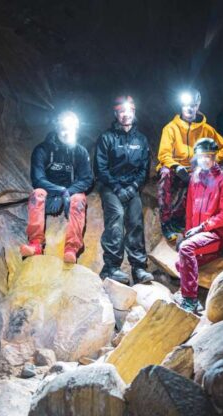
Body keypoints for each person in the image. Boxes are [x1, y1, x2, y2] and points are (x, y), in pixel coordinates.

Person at [94, 96, 155, 285]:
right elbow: (100, 168)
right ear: (116, 114)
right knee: (117, 216)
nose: (125, 114)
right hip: (111, 187)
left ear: (134, 112)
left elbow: (144, 168)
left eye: (129, 110)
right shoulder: (106, 138)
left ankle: (138, 268)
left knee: (135, 220)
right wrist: (117, 187)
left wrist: (133, 187)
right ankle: (111, 267)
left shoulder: (141, 139)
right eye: (121, 111)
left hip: (131, 187)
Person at [20, 111, 94, 264]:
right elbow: (38, 179)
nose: (67, 132)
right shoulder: (42, 149)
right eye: (63, 127)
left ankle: (71, 249)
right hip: (49, 191)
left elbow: (87, 179)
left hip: (70, 191)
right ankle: (36, 244)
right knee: (37, 194)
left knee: (79, 199)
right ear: (57, 127)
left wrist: (68, 192)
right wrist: (60, 191)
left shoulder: (80, 151)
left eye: (70, 128)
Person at [156, 88, 223, 242]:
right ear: (181, 106)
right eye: (186, 105)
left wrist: (209, 161)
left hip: (194, 169)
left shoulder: (207, 130)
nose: (189, 109)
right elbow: (164, 154)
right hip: (174, 167)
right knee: (165, 173)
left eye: (193, 105)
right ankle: (166, 221)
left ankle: (177, 219)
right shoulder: (170, 128)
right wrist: (176, 166)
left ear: (198, 106)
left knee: (198, 181)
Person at [175, 138, 223, 314]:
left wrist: (201, 228)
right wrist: (188, 232)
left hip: (216, 234)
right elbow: (190, 209)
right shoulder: (195, 178)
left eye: (209, 156)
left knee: (186, 249)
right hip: (199, 234)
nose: (205, 160)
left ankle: (190, 300)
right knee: (180, 263)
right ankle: (218, 255)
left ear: (215, 156)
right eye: (201, 156)